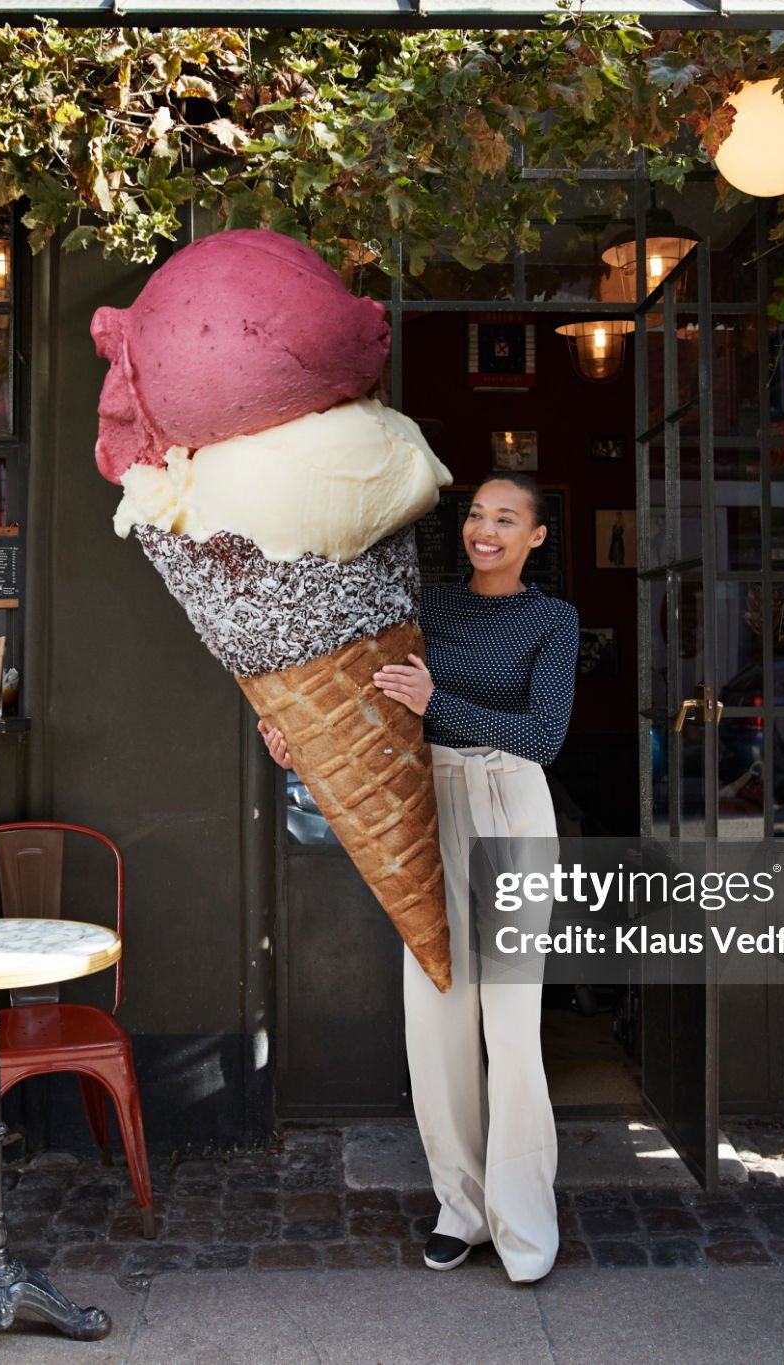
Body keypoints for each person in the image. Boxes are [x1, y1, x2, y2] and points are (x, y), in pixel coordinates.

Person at [260, 473, 579, 1284]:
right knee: (436, 1017)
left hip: (512, 803)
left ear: (536, 537)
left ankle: (524, 1218)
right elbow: (362, 697)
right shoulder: (428, 609)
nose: (486, 528)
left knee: (509, 1025)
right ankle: (461, 1207)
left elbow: (543, 735)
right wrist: (296, 734)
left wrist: (441, 697)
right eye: (477, 513)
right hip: (426, 800)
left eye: (507, 519)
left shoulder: (552, 621)